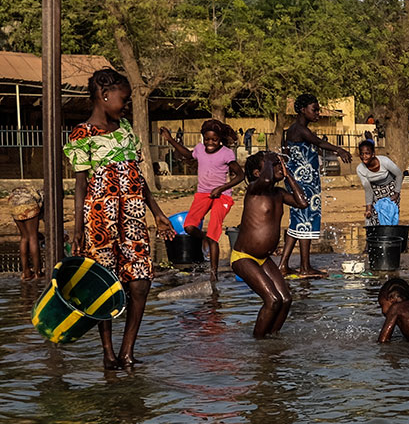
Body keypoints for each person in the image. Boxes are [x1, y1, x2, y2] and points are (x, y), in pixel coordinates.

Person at [64, 69, 175, 369]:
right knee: (107, 286)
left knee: (141, 281)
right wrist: (77, 230)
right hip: (100, 220)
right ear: (104, 95)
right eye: (123, 100)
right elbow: (79, 185)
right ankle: (108, 353)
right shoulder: (81, 134)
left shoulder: (126, 129)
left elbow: (138, 177)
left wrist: (159, 214)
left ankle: (128, 351)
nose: (126, 105)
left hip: (133, 217)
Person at [231, 151, 307, 338]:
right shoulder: (254, 189)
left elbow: (302, 202)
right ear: (258, 172)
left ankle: (272, 337)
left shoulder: (278, 193)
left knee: (286, 299)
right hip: (243, 257)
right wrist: (270, 161)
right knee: (272, 300)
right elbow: (265, 181)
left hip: (263, 259)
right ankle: (258, 342)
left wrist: (288, 175)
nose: (278, 167)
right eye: (273, 165)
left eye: (278, 164)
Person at [159, 119, 244, 281]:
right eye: (207, 140)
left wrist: (221, 188)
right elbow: (187, 154)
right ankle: (204, 238)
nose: (210, 143)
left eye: (214, 140)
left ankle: (213, 275)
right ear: (203, 138)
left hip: (222, 196)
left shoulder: (226, 153)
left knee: (214, 236)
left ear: (220, 139)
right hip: (203, 194)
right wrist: (170, 139)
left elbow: (240, 175)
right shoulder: (199, 149)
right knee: (189, 227)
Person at [280, 94, 352, 277]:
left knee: (296, 223)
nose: (318, 113)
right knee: (305, 221)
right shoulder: (300, 130)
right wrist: (339, 150)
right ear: (303, 110)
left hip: (300, 181)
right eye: (315, 109)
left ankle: (283, 265)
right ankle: (305, 267)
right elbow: (319, 143)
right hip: (304, 183)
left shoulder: (294, 130)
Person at [356, 140, 403, 226]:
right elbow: (368, 189)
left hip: (391, 188)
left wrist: (396, 193)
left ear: (373, 154)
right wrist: (368, 209)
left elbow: (399, 174)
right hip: (375, 190)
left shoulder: (384, 161)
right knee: (373, 218)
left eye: (367, 153)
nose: (364, 156)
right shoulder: (360, 169)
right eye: (362, 154)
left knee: (389, 214)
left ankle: (390, 236)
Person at [10, 186, 43, 280]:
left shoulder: (39, 191)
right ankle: (37, 272)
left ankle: (26, 272)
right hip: (28, 201)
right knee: (33, 237)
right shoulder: (50, 198)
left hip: (14, 200)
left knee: (24, 237)